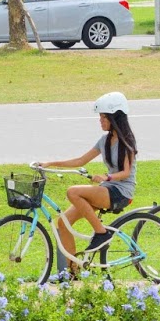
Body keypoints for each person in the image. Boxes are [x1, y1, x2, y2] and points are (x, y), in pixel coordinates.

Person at [34, 91, 138, 264]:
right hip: (108, 189)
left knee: (73, 192)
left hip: (121, 192)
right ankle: (72, 273)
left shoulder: (127, 141)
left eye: (104, 117)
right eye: (100, 117)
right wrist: (50, 163)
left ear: (115, 118)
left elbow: (126, 172)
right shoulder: (104, 140)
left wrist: (107, 177)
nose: (100, 121)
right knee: (63, 223)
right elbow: (80, 160)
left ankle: (101, 233)